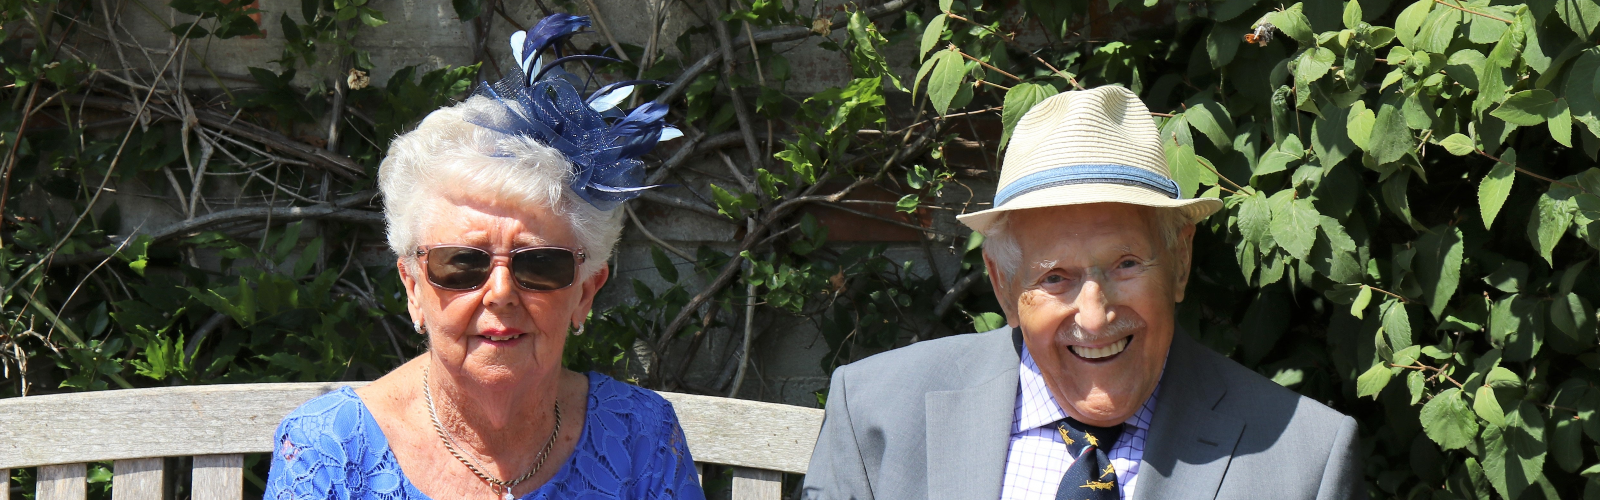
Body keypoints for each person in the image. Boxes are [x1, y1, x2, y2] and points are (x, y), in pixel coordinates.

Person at [801, 86, 1363, 500]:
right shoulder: (875, 413)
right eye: (1054, 278)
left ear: (1181, 260)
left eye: (1125, 264)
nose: (1094, 317)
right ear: (1003, 284)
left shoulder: (1304, 459)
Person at [264, 14, 704, 500]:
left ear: (585, 291)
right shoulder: (329, 448)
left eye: (539, 264)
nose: (500, 293)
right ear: (413, 286)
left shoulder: (642, 435)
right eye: (462, 264)